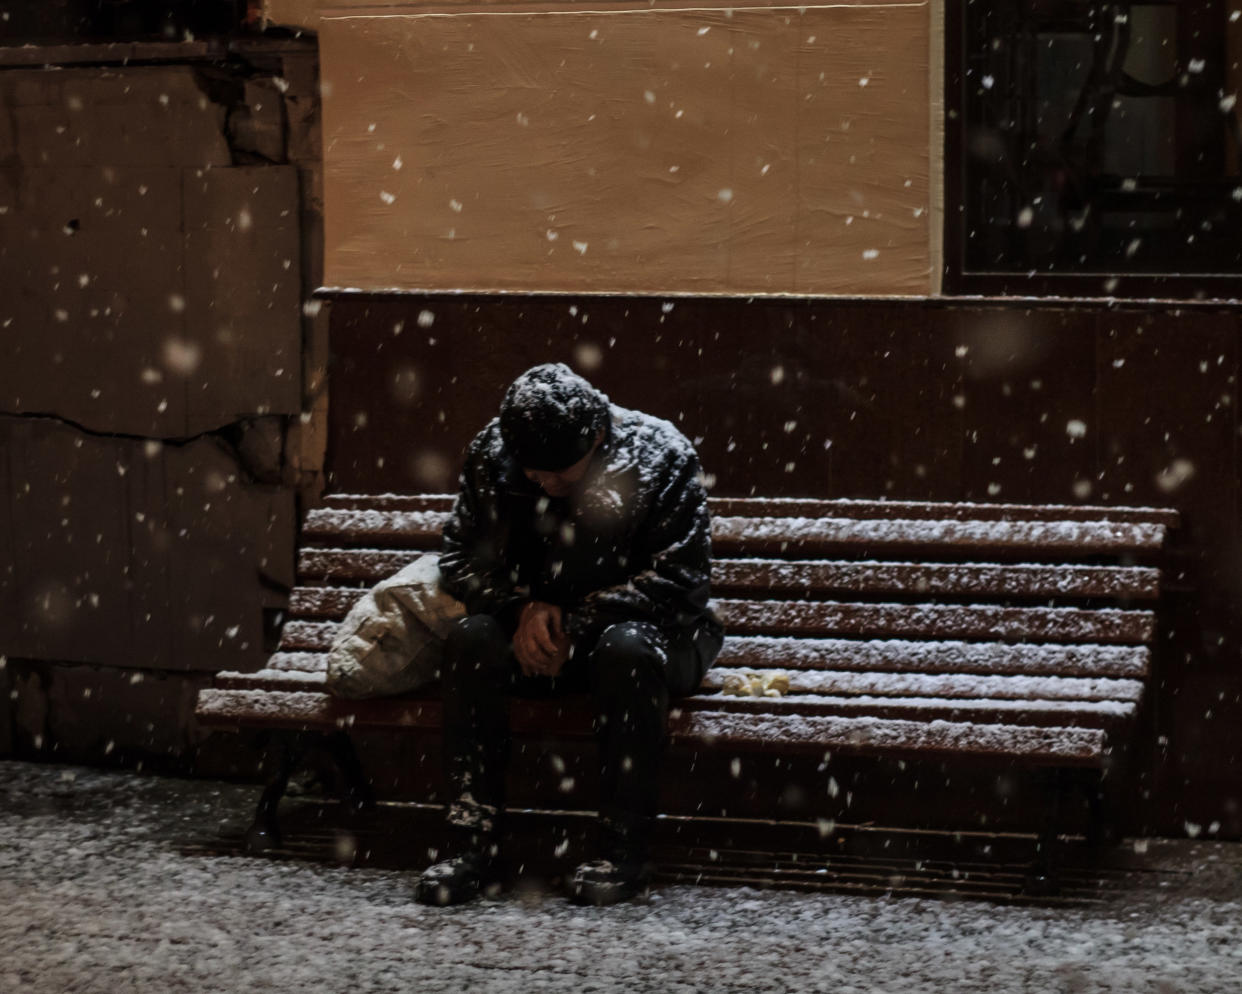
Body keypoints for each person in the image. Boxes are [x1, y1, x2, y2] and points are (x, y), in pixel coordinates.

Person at [415, 362, 724, 907]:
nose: (547, 484)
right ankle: (469, 841)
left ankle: (623, 848)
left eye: (562, 472)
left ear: (599, 434)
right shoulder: (494, 452)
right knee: (471, 640)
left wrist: (575, 622)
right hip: (533, 632)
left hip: (658, 636)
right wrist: (519, 610)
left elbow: (682, 581)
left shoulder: (661, 454)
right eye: (534, 474)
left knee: (625, 649)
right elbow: (459, 558)